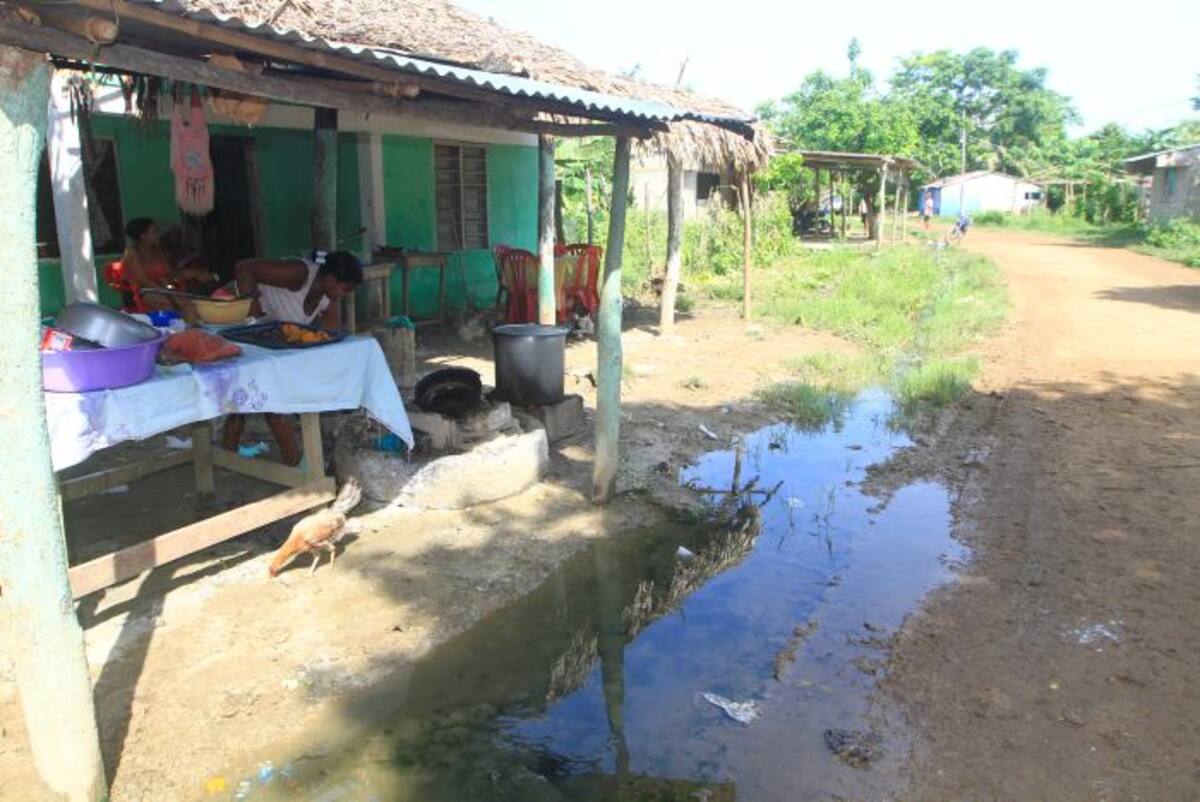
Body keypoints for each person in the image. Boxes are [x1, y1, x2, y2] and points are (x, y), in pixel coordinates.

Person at [220, 251, 363, 466]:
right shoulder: (300, 273)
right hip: (226, 312)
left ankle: (228, 451)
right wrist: (254, 314)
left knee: (252, 387)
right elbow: (244, 267)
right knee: (269, 392)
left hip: (260, 339)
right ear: (331, 279)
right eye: (344, 288)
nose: (344, 295)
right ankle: (294, 463)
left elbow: (328, 338)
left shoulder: (329, 298)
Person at [120, 218, 217, 309]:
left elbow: (171, 272)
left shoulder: (159, 249)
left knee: (191, 298)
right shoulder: (133, 253)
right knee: (168, 302)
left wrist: (195, 274)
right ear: (143, 236)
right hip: (145, 291)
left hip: (165, 286)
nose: (158, 235)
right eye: (154, 232)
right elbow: (143, 281)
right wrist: (167, 291)